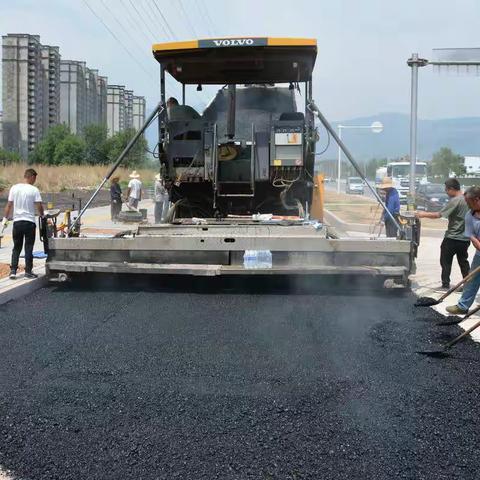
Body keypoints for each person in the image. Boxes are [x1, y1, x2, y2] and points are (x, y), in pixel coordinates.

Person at [415, 178, 470, 289]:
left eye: (446, 190)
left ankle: (445, 284)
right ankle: (468, 284)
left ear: (452, 189)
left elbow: (439, 215)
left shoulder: (456, 200)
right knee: (463, 262)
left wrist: (422, 214)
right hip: (465, 238)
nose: (446, 192)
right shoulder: (468, 200)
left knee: (445, 261)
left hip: (452, 238)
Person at [2, 168, 44, 280]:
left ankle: (13, 271)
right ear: (31, 177)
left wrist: (4, 219)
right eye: (35, 178)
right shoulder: (34, 190)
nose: (35, 180)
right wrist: (42, 215)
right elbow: (39, 206)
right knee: (28, 247)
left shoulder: (14, 188)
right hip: (29, 222)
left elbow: (9, 205)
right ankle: (28, 271)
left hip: (17, 223)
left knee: (16, 247)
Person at [447, 186, 480, 314]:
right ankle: (462, 306)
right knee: (472, 279)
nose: (466, 204)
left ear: (476, 199)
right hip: (479, 254)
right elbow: (472, 237)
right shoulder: (469, 216)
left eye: (468, 201)